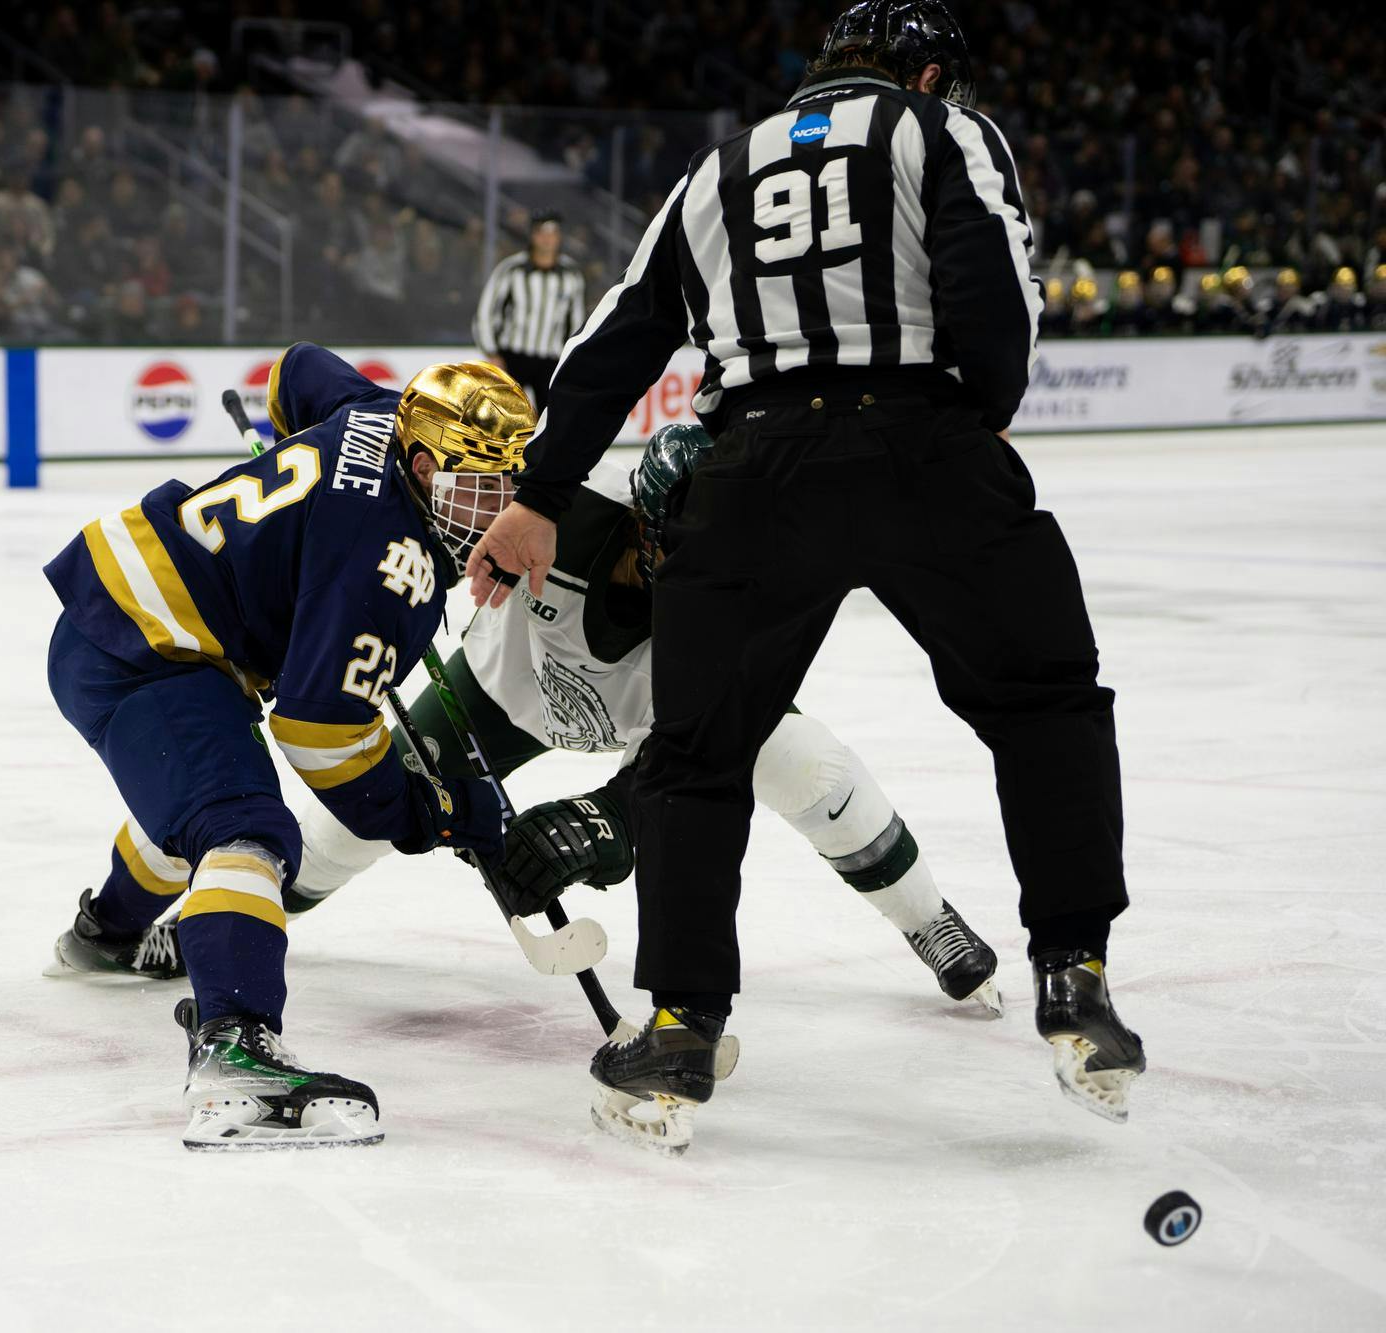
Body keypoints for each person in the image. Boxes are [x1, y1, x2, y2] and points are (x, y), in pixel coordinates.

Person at [468, 0, 1145, 1148]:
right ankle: (1072, 975)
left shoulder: (716, 168)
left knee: (693, 756)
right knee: (1044, 703)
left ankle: (679, 1024)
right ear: (928, 73)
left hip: (752, 470)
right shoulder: (940, 133)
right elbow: (997, 307)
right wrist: (970, 419)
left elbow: (617, 337)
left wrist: (536, 494)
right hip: (924, 444)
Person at [281, 425, 1003, 1013]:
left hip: (663, 719)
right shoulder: (564, 506)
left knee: (813, 767)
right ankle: (253, 908)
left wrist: (601, 825)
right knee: (362, 806)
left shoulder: (744, 602)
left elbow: (676, 772)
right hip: (506, 690)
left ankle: (927, 915)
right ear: (642, 518)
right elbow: (446, 514)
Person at [42, 343, 529, 1150]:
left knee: (195, 804)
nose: (496, 509)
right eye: (477, 489)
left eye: (509, 485)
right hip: (147, 646)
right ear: (420, 460)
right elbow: (319, 728)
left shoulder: (379, 411)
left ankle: (105, 933)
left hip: (135, 610)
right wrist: (426, 812)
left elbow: (297, 369)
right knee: (247, 828)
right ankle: (235, 1044)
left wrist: (299, 501)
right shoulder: (394, 565)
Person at [472, 210, 588, 410]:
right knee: (504, 414)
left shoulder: (571, 275)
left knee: (550, 418)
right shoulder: (511, 269)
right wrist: (491, 352)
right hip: (513, 357)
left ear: (559, 238)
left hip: (551, 359)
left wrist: (571, 358)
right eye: (542, 233)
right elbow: (486, 311)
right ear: (533, 236)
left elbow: (576, 321)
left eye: (552, 233)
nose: (547, 239)